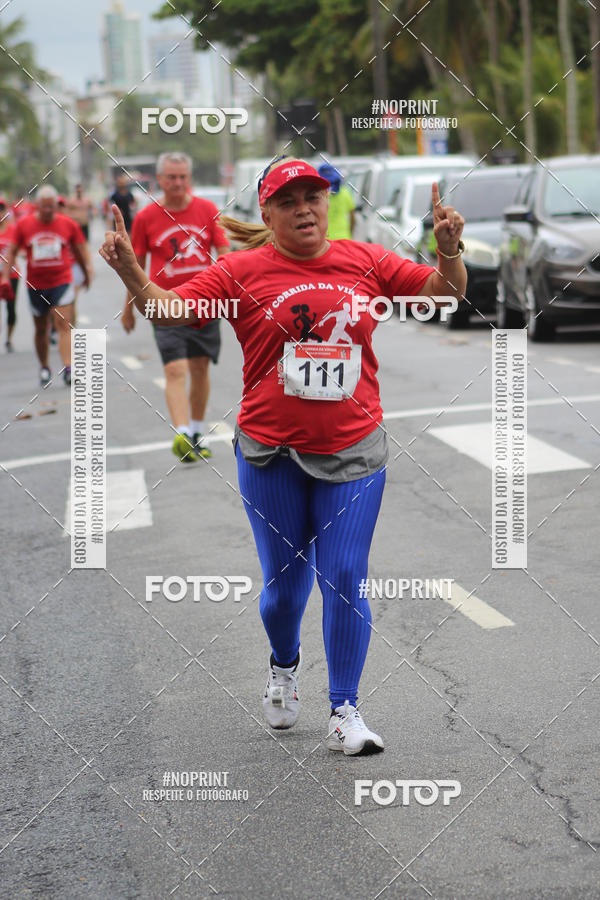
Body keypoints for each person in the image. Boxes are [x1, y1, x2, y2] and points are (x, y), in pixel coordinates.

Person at [100, 156, 466, 755]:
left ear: (327, 204)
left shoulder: (365, 259)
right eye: (289, 201)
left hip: (353, 449)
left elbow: (443, 294)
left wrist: (448, 250)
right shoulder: (240, 270)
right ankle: (284, 663)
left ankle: (345, 709)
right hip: (271, 453)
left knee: (345, 576)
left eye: (313, 198)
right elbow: (175, 309)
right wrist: (135, 278)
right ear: (267, 213)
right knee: (285, 589)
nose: (305, 209)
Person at [121, 151, 229, 462]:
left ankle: (196, 431)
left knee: (199, 367)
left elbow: (223, 253)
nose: (177, 182)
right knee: (174, 368)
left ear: (189, 178)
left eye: (182, 176)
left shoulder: (207, 210)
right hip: (164, 305)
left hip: (205, 304)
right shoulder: (146, 218)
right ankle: (182, 433)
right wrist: (128, 307)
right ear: (160, 179)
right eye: (171, 177)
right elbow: (135, 267)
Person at [1, 185, 93, 386]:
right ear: (37, 206)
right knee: (41, 328)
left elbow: (78, 251)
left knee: (63, 323)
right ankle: (44, 366)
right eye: (45, 207)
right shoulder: (24, 225)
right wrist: (6, 277)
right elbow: (12, 252)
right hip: (36, 284)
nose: (49, 211)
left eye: (52, 207)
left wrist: (86, 274)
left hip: (62, 280)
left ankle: (68, 368)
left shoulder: (68, 224)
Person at [0, 197, 21, 352]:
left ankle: (8, 339)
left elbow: (21, 248)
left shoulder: (14, 230)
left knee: (11, 309)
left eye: (1, 209)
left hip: (11, 275)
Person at [318, 162, 355, 239]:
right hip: (344, 238)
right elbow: (352, 218)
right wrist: (350, 233)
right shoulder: (345, 192)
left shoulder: (316, 196)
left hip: (325, 241)